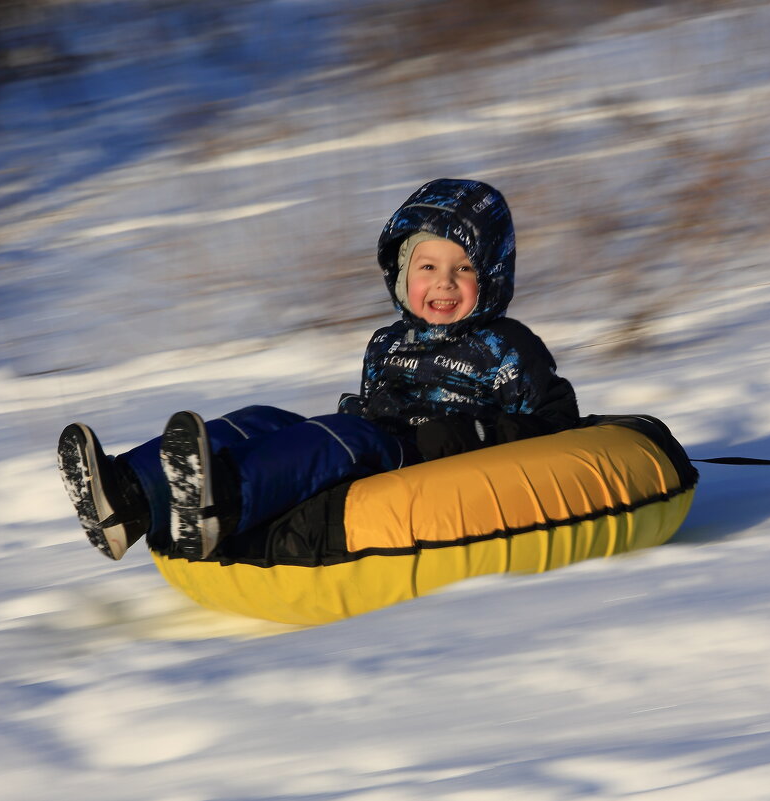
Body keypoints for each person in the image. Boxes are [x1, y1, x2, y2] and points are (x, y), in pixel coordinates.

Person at [58, 178, 578, 561]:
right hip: (382, 443)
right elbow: (375, 401)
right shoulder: (388, 342)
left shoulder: (506, 346)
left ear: (491, 274)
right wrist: (360, 410)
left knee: (345, 436)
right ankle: (129, 496)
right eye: (427, 268)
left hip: (428, 463)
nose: (443, 283)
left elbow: (558, 424)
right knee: (265, 417)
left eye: (463, 268)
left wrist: (477, 431)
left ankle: (226, 503)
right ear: (402, 275)